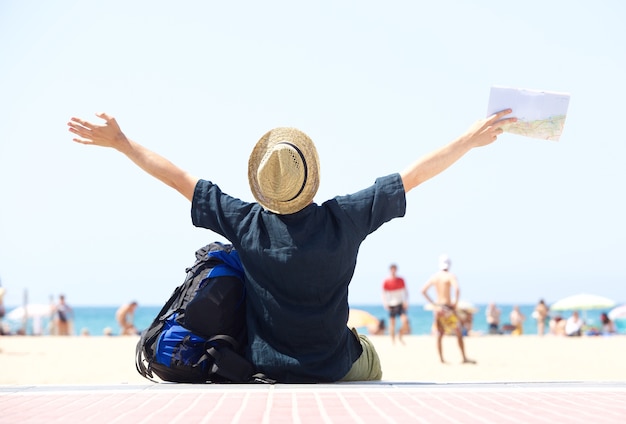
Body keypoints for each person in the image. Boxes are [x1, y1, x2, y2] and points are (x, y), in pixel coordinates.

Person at [68, 109, 514, 382]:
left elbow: (179, 179)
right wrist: (469, 140)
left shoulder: (245, 222)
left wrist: (122, 143)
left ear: (263, 186)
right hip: (334, 363)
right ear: (310, 177)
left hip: (266, 366)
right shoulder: (345, 217)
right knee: (372, 358)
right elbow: (412, 177)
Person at [421, 254, 475, 364]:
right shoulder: (450, 276)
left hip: (438, 309)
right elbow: (457, 289)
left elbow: (423, 291)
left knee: (440, 334)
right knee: (458, 332)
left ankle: (441, 359)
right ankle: (464, 357)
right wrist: (455, 303)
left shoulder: (435, 277)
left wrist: (433, 304)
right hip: (448, 308)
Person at [381, 264, 409, 344]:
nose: (393, 271)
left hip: (400, 303)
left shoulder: (401, 280)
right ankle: (393, 341)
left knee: (405, 321)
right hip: (391, 304)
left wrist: (406, 301)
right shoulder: (386, 281)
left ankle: (400, 334)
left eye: (395, 269)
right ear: (390, 270)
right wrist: (385, 303)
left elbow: (405, 291)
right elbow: (383, 293)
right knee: (392, 324)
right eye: (392, 270)